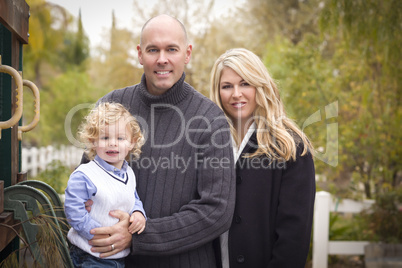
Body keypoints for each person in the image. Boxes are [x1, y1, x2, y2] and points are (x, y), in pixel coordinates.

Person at [84, 14, 236, 267]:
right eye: (153, 49)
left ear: (187, 54)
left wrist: (138, 237)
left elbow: (216, 211)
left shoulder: (210, 119)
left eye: (171, 49)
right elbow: (87, 180)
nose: (162, 59)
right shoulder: (112, 106)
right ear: (140, 54)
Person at [210, 48, 316, 267]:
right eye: (227, 86)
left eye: (245, 83)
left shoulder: (291, 147)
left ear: (260, 86)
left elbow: (294, 235)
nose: (236, 93)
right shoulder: (209, 143)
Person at [65, 102, 147, 267]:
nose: (112, 143)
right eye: (105, 138)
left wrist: (138, 213)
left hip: (118, 257)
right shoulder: (85, 175)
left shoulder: (128, 173)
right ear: (93, 141)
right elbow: (73, 209)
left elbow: (133, 198)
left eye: (120, 138)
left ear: (132, 142)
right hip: (91, 255)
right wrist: (94, 233)